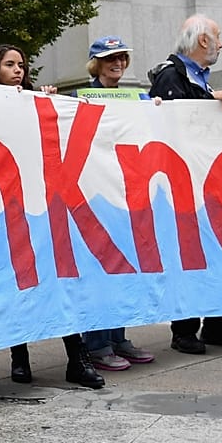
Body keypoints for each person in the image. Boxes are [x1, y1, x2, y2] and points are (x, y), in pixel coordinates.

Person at [0, 45, 104, 389]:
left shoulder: (34, 101)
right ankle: (19, 358)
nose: (18, 70)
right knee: (18, 282)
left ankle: (77, 358)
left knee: (59, 280)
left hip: (42, 206)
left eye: (21, 64)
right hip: (7, 207)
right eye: (9, 65)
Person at [148, 15, 222, 354]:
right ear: (203, 41)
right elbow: (175, 125)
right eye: (219, 37)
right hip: (184, 186)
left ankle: (219, 323)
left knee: (215, 253)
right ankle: (184, 331)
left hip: (205, 184)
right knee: (190, 257)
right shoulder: (171, 74)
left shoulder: (195, 77)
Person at [75, 37, 156, 370]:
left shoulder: (140, 98)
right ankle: (96, 343)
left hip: (127, 191)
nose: (118, 63)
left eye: (122, 57)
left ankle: (117, 337)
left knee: (123, 267)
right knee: (99, 269)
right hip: (95, 192)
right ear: (96, 63)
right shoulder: (81, 98)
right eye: (111, 59)